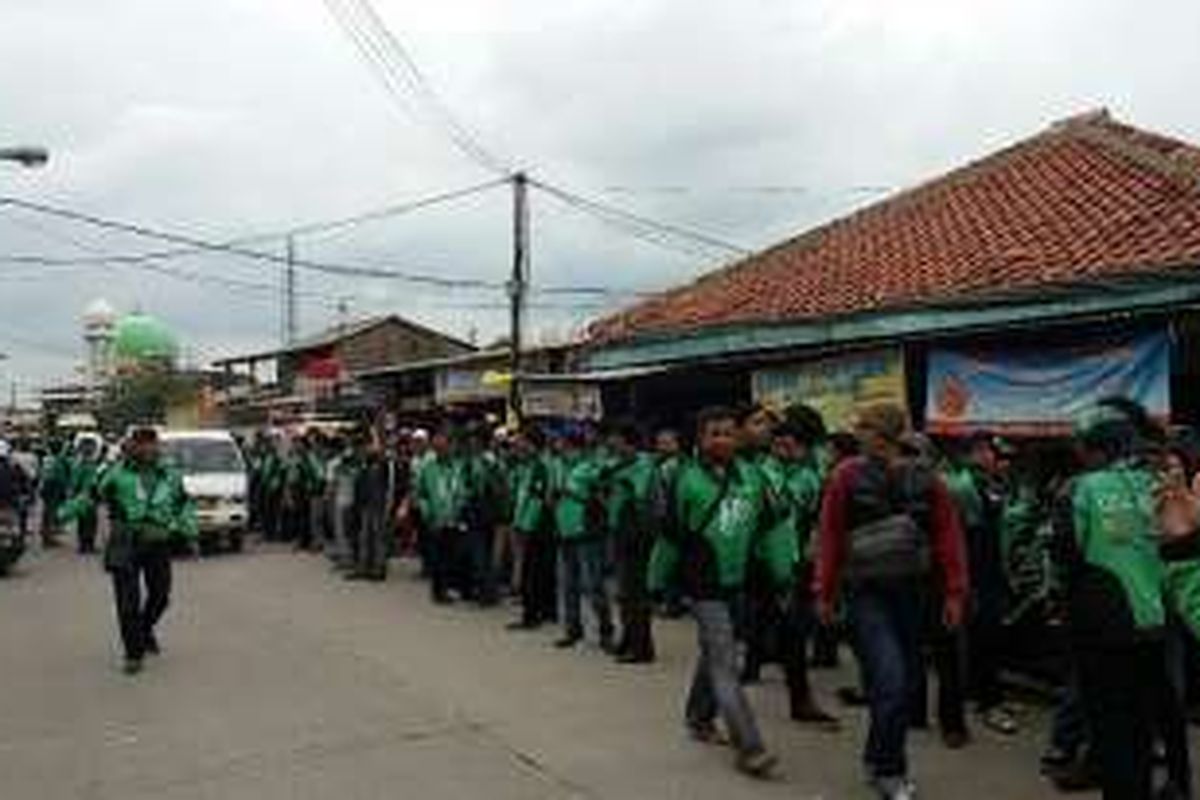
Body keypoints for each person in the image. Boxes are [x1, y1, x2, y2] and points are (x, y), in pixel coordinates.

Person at [814, 403, 967, 800]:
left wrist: (954, 592)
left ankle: (875, 756)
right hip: (865, 594)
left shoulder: (927, 480)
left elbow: (949, 538)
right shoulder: (846, 475)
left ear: (883, 433)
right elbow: (830, 537)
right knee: (891, 681)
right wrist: (824, 592)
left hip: (914, 594)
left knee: (904, 683)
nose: (858, 434)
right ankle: (890, 771)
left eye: (864, 427)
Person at [647, 406, 781, 779]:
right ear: (699, 439)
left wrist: (781, 574)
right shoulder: (683, 479)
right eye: (713, 433)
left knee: (714, 653)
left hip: (741, 583)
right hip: (704, 587)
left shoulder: (753, 477)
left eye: (728, 433)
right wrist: (655, 584)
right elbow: (669, 539)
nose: (722, 440)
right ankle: (751, 748)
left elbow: (770, 528)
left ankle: (697, 716)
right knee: (726, 663)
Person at [1051, 404, 1167, 800]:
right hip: (1155, 620)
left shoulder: (1078, 490)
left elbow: (1066, 558)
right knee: (1140, 722)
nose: (1079, 453)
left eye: (1082, 446)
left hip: (1102, 623)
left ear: (1094, 448)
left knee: (1109, 724)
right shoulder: (1156, 484)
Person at [94, 427, 196, 675]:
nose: (148, 449)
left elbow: (183, 504)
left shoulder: (170, 475)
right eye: (142, 444)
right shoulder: (115, 474)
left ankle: (144, 629)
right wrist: (67, 512)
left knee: (160, 596)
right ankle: (133, 654)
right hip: (124, 542)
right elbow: (91, 496)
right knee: (127, 602)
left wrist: (190, 531)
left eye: (153, 444)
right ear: (133, 446)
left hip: (158, 541)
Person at [759, 411, 838, 726]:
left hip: (796, 563)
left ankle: (800, 700)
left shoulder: (811, 478)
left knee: (793, 632)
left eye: (790, 445)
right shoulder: (760, 474)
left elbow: (819, 518)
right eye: (777, 445)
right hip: (761, 562)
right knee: (736, 631)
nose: (783, 450)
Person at [553, 428, 614, 650]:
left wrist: (573, 494)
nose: (556, 445)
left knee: (593, 584)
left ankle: (606, 631)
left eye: (559, 441)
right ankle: (572, 630)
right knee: (568, 584)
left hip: (586, 532)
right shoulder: (559, 466)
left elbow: (603, 495)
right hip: (564, 531)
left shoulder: (591, 467)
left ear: (571, 444)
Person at [606, 420, 661, 664]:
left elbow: (638, 497)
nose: (610, 442)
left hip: (637, 536)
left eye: (614, 437)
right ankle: (628, 639)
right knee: (624, 593)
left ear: (626, 440)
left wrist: (618, 477)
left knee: (635, 592)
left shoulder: (643, 465)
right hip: (621, 532)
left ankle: (642, 647)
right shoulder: (621, 464)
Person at [506, 427, 557, 630]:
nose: (518, 446)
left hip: (537, 526)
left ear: (532, 444)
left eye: (521, 442)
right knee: (539, 571)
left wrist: (524, 527)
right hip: (529, 523)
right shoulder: (527, 465)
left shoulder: (540, 466)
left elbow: (537, 500)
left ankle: (531, 616)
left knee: (532, 572)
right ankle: (544, 612)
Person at [413, 427, 469, 604]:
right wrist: (427, 511)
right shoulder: (428, 468)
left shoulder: (458, 467)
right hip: (435, 519)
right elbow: (420, 493)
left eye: (445, 447)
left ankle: (451, 587)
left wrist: (461, 506)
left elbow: (463, 490)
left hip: (454, 518)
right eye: (438, 448)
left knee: (453, 556)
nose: (442, 451)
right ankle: (439, 591)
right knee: (438, 557)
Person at [347, 428, 397, 582]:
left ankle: (378, 568)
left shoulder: (383, 463)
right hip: (365, 504)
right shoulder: (364, 463)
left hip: (379, 504)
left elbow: (389, 486)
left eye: (368, 445)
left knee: (378, 537)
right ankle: (364, 567)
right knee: (364, 536)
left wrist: (389, 503)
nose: (365, 449)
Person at [66, 438, 104, 554]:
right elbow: (75, 481)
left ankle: (86, 544)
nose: (92, 449)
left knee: (88, 521)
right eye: (90, 446)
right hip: (86, 495)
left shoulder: (87, 463)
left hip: (88, 495)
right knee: (87, 521)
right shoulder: (82, 464)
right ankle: (86, 545)